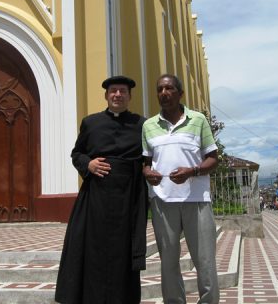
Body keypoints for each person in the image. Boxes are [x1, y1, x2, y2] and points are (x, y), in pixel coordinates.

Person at [55, 75, 148, 304]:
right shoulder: (91, 122)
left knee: (123, 252)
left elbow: (150, 157)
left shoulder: (142, 124)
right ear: (106, 96)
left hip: (129, 198)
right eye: (113, 91)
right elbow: (77, 153)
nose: (117, 95)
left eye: (122, 91)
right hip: (95, 197)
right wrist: (88, 164)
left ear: (129, 96)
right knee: (92, 250)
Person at [142, 74, 219, 304]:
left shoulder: (198, 120)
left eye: (169, 88)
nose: (164, 93)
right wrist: (147, 173)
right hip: (162, 202)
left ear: (180, 93)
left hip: (197, 200)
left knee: (204, 260)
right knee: (169, 261)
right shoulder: (148, 126)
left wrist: (192, 171)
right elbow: (145, 163)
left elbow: (213, 159)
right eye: (159, 89)